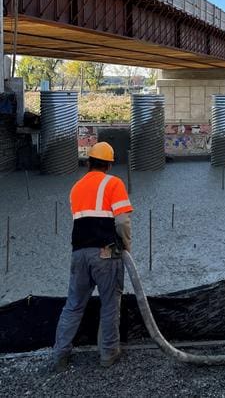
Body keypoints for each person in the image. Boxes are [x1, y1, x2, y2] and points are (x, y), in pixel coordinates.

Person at [53, 142, 133, 372]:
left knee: (73, 305)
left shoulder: (76, 187)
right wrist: (126, 246)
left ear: (88, 163)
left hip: (78, 254)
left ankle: (60, 355)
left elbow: (82, 221)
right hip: (106, 253)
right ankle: (108, 354)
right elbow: (122, 221)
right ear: (109, 164)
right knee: (109, 304)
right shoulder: (113, 183)